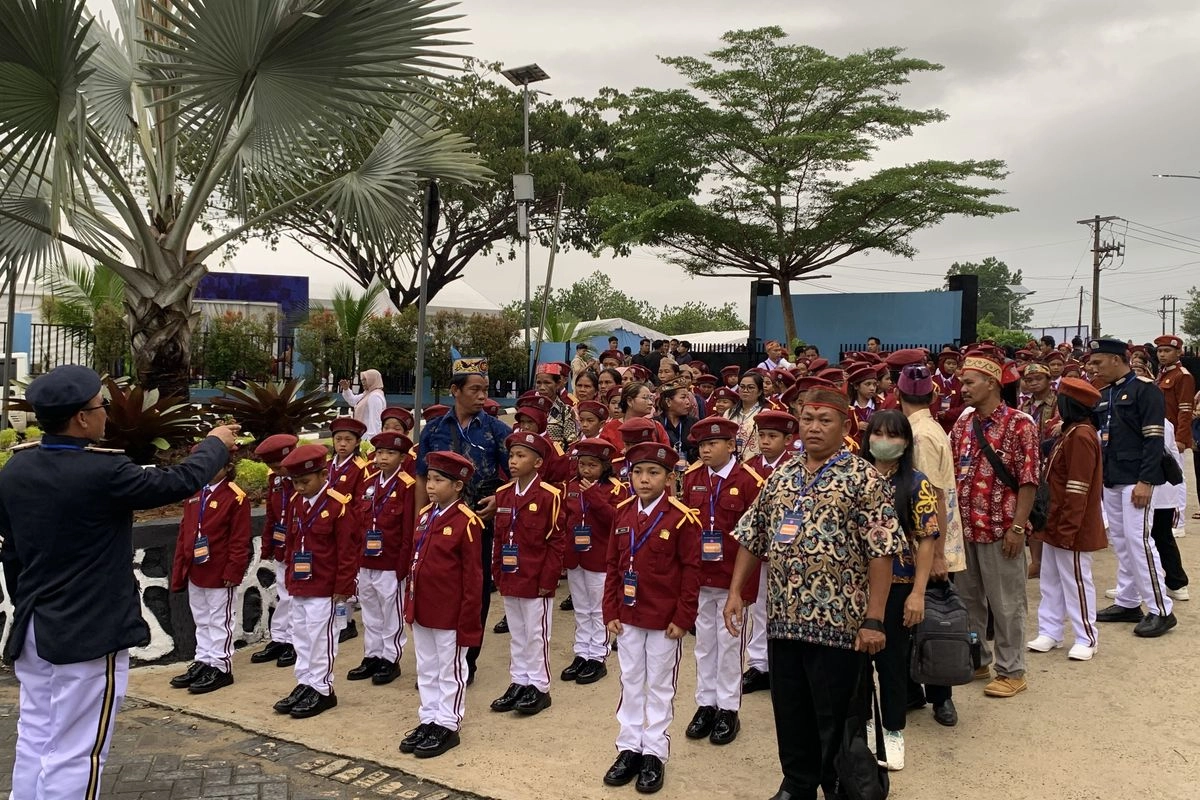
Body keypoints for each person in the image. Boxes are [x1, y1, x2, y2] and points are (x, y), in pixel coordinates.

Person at [0, 366, 239, 800]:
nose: (105, 413)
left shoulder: (17, 469)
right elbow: (179, 481)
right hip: (88, 633)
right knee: (79, 750)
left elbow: (12, 554)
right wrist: (215, 445)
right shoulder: (102, 473)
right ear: (81, 419)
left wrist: (33, 604)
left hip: (35, 628)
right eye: (100, 406)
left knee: (37, 735)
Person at [724, 388, 901, 800]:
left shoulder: (863, 478)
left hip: (840, 626)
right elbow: (754, 536)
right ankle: (798, 784)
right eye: (808, 419)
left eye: (825, 420)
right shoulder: (781, 477)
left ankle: (840, 786)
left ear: (845, 426)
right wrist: (736, 591)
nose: (815, 427)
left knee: (836, 715)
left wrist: (874, 618)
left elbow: (882, 552)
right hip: (784, 622)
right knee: (790, 711)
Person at [601, 443, 702, 795]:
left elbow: (691, 571)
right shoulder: (623, 512)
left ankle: (654, 753)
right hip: (628, 614)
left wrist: (684, 616)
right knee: (630, 680)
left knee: (659, 686)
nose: (644, 480)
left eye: (653, 473)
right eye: (638, 472)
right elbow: (613, 565)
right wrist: (610, 609)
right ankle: (629, 747)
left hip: (664, 618)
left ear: (669, 478)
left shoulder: (681, 518)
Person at [415, 359, 512, 684]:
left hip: (477, 523)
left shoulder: (496, 430)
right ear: (455, 390)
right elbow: (420, 478)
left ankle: (466, 660)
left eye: (485, 390)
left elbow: (519, 472)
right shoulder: (434, 430)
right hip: (437, 523)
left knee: (475, 589)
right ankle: (437, 663)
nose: (482, 396)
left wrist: (500, 499)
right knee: (435, 586)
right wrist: (420, 518)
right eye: (475, 389)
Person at [951, 349, 1040, 698]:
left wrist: (1018, 528)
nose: (962, 388)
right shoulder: (963, 422)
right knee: (969, 602)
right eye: (961, 381)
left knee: (1007, 604)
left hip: (1002, 530)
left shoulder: (1020, 424)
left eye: (969, 382)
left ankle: (1012, 670)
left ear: (991, 383)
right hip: (967, 530)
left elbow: (1029, 481)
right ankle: (978, 659)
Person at [861, 410, 938, 772]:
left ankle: (892, 730)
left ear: (905, 442)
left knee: (891, 665)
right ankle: (862, 725)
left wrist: (918, 593)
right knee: (855, 664)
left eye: (893, 435)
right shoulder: (853, 477)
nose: (884, 442)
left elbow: (926, 541)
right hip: (854, 587)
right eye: (878, 434)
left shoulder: (916, 482)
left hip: (898, 585)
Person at [680, 417, 763, 747]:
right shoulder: (692, 478)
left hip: (732, 580)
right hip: (701, 576)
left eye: (713, 443)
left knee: (730, 646)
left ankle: (729, 708)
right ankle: (706, 703)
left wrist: (745, 589)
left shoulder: (748, 481)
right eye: (701, 444)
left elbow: (755, 539)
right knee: (704, 644)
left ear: (731, 446)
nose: (706, 449)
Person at [1089, 339, 1177, 637]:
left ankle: (1161, 609)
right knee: (1122, 541)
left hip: (1136, 479)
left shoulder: (1145, 390)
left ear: (1116, 359)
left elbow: (1154, 440)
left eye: (1098, 362)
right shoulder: (1104, 394)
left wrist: (1146, 480)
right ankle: (1128, 602)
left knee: (1140, 542)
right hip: (1113, 477)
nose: (1094, 367)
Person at [400, 451, 484, 759]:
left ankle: (448, 724)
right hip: (423, 608)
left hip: (450, 614)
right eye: (430, 479)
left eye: (439, 480)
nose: (431, 485)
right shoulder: (425, 516)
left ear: (458, 486)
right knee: (427, 667)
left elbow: (473, 579)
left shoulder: (467, 522)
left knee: (450, 670)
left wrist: (468, 620)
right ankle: (429, 718)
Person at [270, 443, 360, 719]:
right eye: (295, 482)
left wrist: (344, 586)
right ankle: (305, 681)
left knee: (322, 637)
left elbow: (348, 550)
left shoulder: (338, 506)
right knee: (301, 635)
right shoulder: (297, 503)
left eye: (305, 481)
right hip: (300, 581)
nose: (300, 488)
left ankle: (322, 688)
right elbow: (294, 542)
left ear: (324, 475)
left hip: (325, 584)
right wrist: (289, 577)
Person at [896, 365, 964, 727]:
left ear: (898, 393)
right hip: (930, 541)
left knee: (933, 621)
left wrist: (935, 553)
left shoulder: (919, 434)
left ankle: (941, 698)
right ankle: (913, 691)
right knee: (914, 622)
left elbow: (930, 493)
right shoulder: (932, 425)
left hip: (925, 544)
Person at [1028, 377, 1106, 661]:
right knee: (1050, 579)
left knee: (1076, 581)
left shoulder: (1082, 436)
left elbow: (1078, 487)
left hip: (1072, 524)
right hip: (1054, 520)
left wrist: (1068, 527)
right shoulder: (1071, 432)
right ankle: (1050, 630)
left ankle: (1087, 636)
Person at [489, 432, 566, 717]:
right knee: (517, 634)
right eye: (512, 456)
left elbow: (556, 541)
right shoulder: (503, 494)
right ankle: (519, 680)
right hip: (511, 576)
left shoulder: (549, 496)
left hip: (536, 578)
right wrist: (497, 570)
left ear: (537, 463)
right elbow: (499, 536)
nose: (513, 461)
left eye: (521, 456)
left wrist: (549, 580)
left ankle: (539, 686)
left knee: (536, 634)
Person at [168, 449, 252, 695]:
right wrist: (181, 564)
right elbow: (186, 531)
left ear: (227, 467)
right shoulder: (195, 493)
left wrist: (233, 570)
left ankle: (221, 665)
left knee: (219, 620)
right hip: (196, 568)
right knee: (201, 618)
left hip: (219, 570)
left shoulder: (235, 497)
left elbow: (239, 539)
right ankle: (204, 659)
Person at [347, 431, 416, 686]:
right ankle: (372, 654)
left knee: (391, 611)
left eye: (390, 453)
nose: (383, 458)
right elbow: (358, 523)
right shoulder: (369, 484)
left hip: (390, 561)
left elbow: (408, 528)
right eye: (380, 453)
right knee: (370, 610)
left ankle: (391, 657)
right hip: (367, 559)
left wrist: (403, 565)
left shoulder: (407, 486)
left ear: (402, 457)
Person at [740, 410, 798, 696]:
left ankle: (784, 666)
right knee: (759, 607)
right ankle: (759, 663)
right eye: (762, 435)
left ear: (788, 439)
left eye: (772, 436)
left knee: (787, 606)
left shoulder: (795, 467)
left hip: (789, 550)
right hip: (758, 550)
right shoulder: (749, 468)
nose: (765, 442)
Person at [561, 438, 623, 684]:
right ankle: (582, 651)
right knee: (582, 607)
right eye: (582, 464)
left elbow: (615, 521)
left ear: (605, 466)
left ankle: (598, 656)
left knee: (598, 609)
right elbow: (566, 519)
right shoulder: (571, 486)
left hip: (599, 556)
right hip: (576, 555)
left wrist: (595, 496)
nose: (585, 470)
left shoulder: (616, 489)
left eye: (592, 465)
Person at [250, 433, 301, 667]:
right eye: (273, 467)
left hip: (301, 547)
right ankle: (280, 637)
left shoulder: (306, 481)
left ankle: (295, 641)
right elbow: (272, 514)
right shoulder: (277, 481)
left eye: (280, 466)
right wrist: (268, 546)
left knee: (295, 596)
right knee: (283, 593)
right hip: (282, 545)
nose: (278, 471)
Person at [1154, 334, 1193, 536]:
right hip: (1160, 433)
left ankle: (1178, 522)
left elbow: (1185, 410)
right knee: (1164, 477)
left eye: (1167, 350)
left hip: (1174, 434)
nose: (1162, 354)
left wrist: (1180, 438)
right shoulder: (1161, 374)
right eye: (1160, 351)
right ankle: (1168, 518)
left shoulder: (1183, 376)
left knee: (1177, 478)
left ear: (1179, 352)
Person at [726, 371, 767, 462]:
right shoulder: (729, 413)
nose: (745, 390)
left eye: (750, 387)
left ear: (759, 392)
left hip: (754, 463)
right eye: (742, 387)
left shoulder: (765, 414)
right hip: (730, 463)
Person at [340, 369, 386, 436]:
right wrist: (346, 389)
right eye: (362, 380)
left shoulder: (374, 396)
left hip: (368, 436)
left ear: (372, 380)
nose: (363, 382)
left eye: (365, 380)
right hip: (363, 434)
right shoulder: (367, 394)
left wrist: (372, 440)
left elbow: (375, 421)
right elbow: (353, 401)